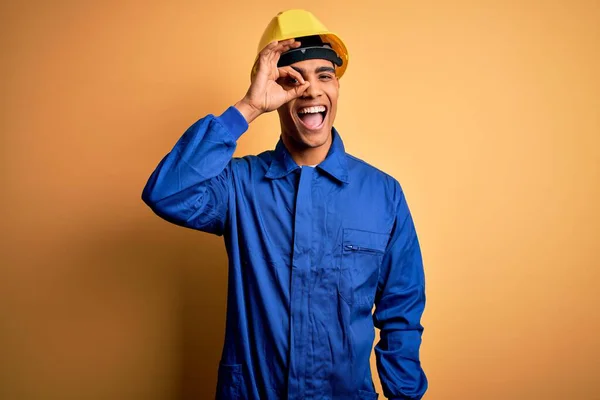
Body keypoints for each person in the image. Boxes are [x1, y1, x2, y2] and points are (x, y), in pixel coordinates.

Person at [142, 9, 427, 400]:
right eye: (293, 80)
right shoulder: (239, 185)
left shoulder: (383, 194)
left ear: (338, 88)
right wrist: (248, 106)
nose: (311, 91)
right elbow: (165, 192)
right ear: (274, 91)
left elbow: (401, 314)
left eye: (324, 76)